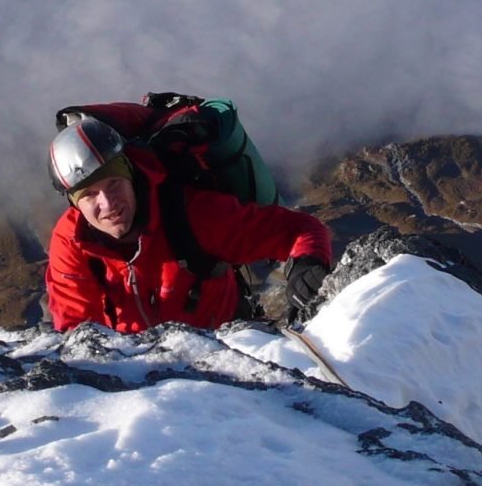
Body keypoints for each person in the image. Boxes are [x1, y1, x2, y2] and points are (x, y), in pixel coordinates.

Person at [45, 114, 333, 333]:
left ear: (131, 175)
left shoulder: (192, 214)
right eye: (90, 194)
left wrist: (308, 266)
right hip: (138, 379)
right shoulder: (72, 241)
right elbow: (75, 330)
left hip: (228, 354)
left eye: (114, 184)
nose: (108, 204)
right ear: (74, 204)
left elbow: (301, 229)